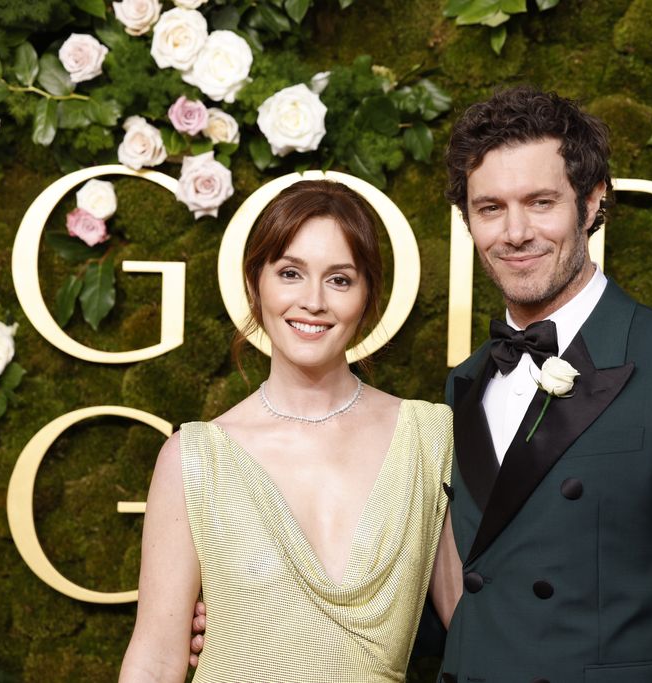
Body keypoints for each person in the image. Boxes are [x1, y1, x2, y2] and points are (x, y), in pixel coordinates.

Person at [438, 86, 652, 682]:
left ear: (592, 204)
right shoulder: (462, 382)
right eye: (490, 209)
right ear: (468, 220)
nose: (515, 233)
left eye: (541, 202)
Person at [119, 179, 460, 683]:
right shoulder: (194, 459)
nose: (313, 301)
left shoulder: (430, 439)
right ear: (256, 283)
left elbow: (472, 621)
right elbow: (155, 659)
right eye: (291, 273)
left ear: (368, 296)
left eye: (340, 279)